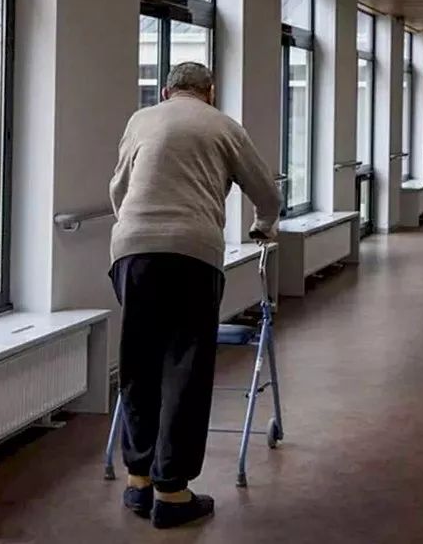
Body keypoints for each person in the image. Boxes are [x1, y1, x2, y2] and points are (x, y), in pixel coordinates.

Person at [108, 62, 281, 529]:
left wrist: (135, 228)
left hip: (133, 252)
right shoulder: (224, 126)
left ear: (166, 92)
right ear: (210, 92)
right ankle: (172, 492)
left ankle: (138, 481)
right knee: (186, 366)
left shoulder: (141, 120)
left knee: (139, 361)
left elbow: (119, 187)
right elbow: (266, 193)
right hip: (193, 253)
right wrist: (263, 226)